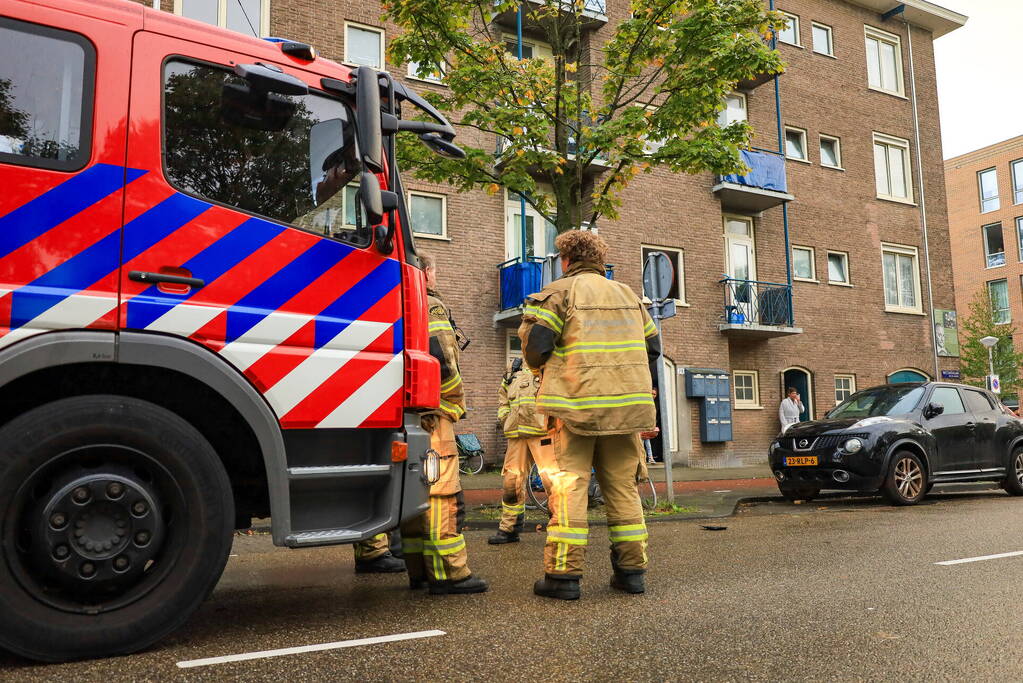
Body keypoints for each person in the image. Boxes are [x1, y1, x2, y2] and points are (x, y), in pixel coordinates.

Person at [519, 230, 659, 600]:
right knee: (623, 489)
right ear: (600, 260)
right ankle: (631, 574)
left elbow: (535, 350)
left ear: (566, 260)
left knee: (570, 489)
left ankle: (563, 578)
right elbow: (654, 348)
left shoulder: (558, 293)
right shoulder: (629, 296)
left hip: (575, 410)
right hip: (626, 412)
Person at [399, 253, 488, 595]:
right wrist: (454, 403)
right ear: (425, 272)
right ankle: (449, 574)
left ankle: (418, 571)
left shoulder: (394, 302)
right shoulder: (429, 305)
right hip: (432, 416)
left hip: (403, 416)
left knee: (412, 495)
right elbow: (443, 360)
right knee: (441, 495)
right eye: (434, 270)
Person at [488, 357, 549, 545]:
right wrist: (505, 419)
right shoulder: (513, 368)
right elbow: (503, 397)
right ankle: (509, 529)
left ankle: (561, 530)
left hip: (545, 435)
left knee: (555, 483)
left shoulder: (549, 362)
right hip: (517, 435)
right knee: (511, 483)